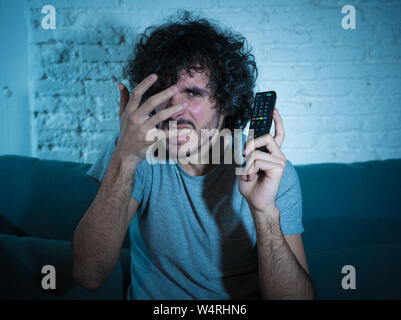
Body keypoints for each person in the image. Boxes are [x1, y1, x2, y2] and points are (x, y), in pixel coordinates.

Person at [72, 11, 316, 300]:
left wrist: (264, 213)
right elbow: (88, 274)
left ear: (225, 103)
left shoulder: (269, 172)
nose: (175, 110)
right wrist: (124, 158)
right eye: (163, 92)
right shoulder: (137, 153)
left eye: (193, 93)